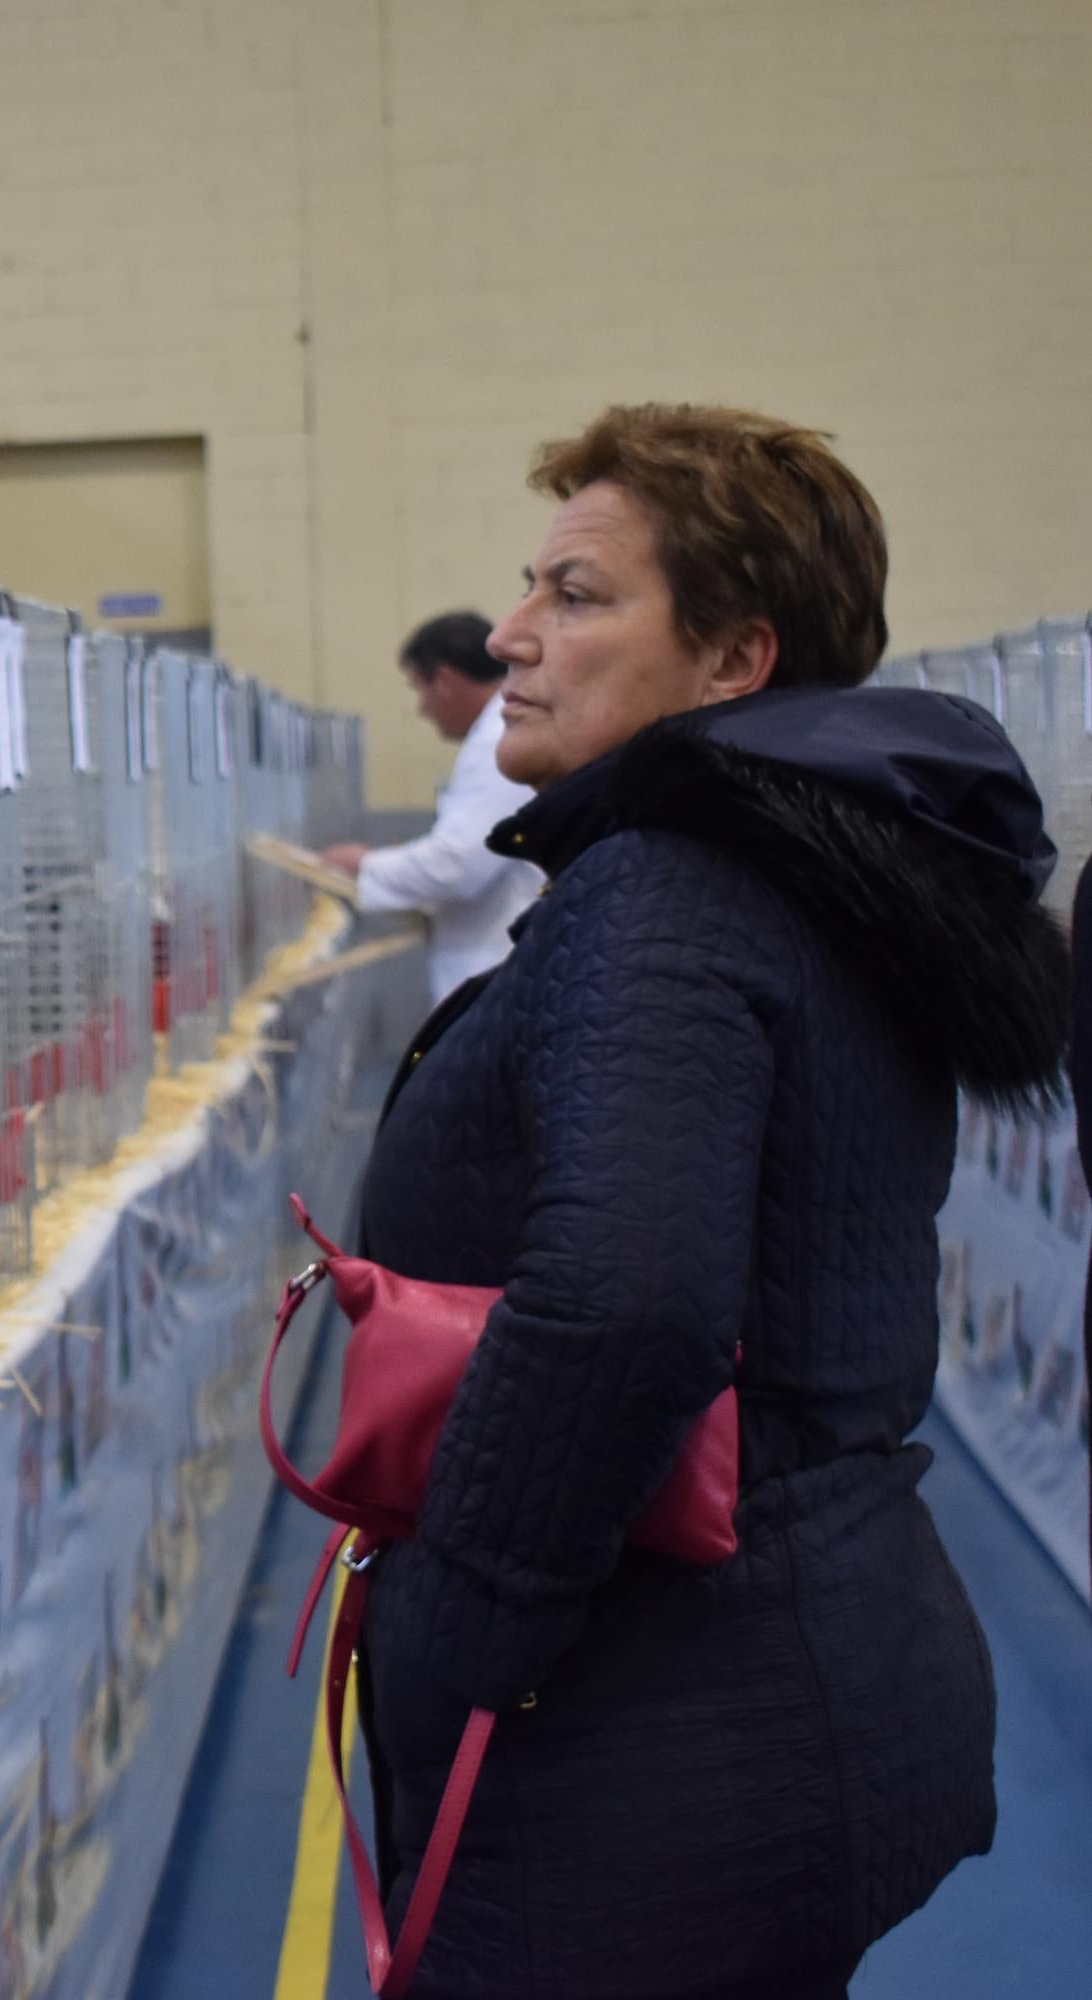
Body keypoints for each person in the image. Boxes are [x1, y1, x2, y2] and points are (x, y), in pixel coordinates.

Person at [351, 403, 1067, 1998]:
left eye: (580, 597)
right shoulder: (815, 869)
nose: (512, 634)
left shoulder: (670, 887)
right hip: (818, 1644)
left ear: (738, 660)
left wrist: (454, 1631)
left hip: (666, 1709)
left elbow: (627, 1303)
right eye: (525, 588)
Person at [319, 612, 542, 1004]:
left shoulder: (499, 739)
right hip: (490, 964)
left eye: (419, 688)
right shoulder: (497, 734)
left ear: (445, 679)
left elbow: (459, 864)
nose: (422, 709)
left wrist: (366, 865)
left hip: (495, 967)